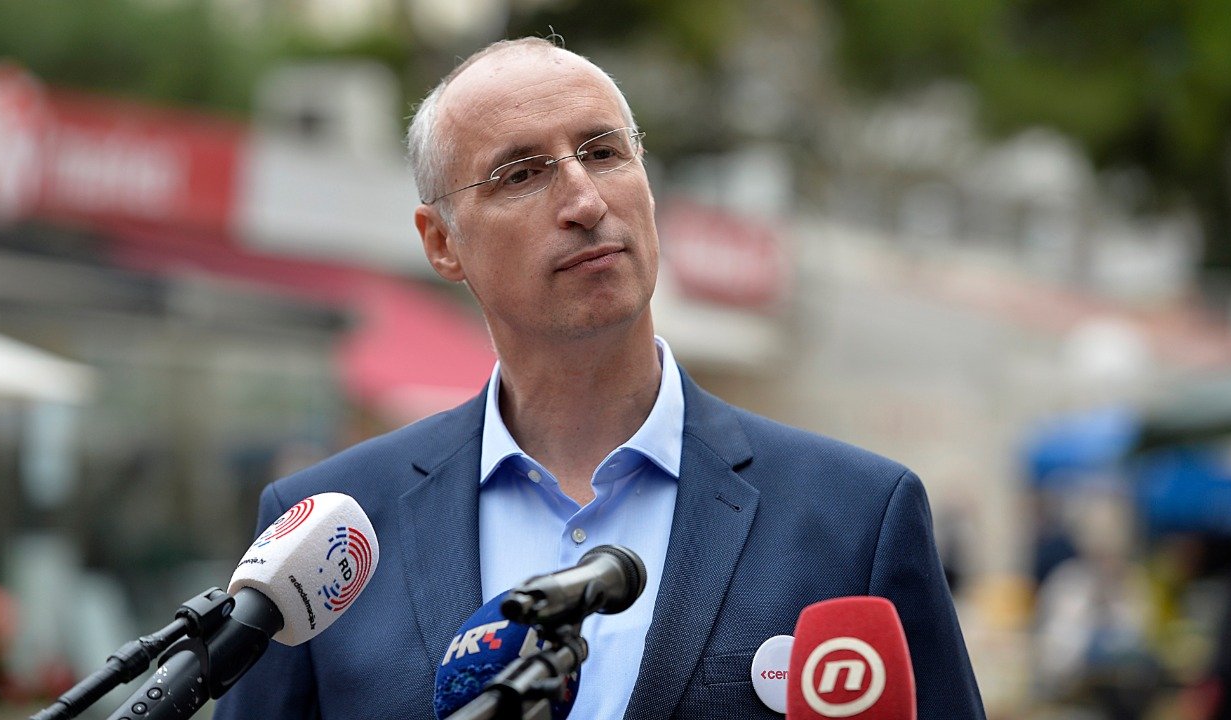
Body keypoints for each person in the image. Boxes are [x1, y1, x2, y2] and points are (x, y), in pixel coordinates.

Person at [213, 36, 985, 720]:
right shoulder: (327, 542)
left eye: (605, 152)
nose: (584, 201)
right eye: (521, 173)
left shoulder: (854, 518)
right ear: (441, 241)